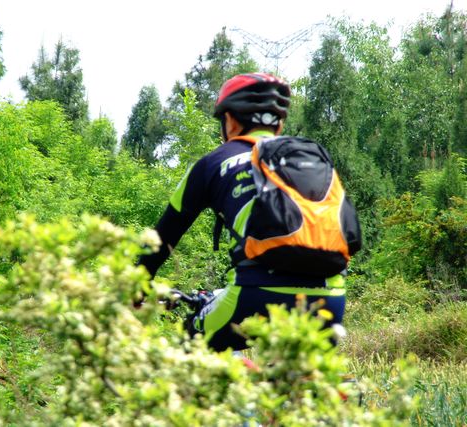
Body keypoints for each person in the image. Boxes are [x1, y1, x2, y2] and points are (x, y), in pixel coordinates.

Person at [138, 72, 350, 352]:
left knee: (191, 348)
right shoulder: (311, 161)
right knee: (300, 373)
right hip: (331, 299)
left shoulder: (211, 164)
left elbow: (161, 239)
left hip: (254, 293)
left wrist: (134, 289)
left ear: (230, 120)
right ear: (279, 123)